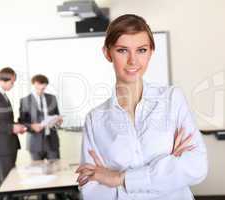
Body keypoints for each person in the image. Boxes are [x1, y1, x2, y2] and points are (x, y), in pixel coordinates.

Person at [76, 14, 208, 200]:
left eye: (141, 50)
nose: (133, 61)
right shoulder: (94, 119)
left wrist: (119, 178)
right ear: (107, 53)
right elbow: (92, 190)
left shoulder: (172, 100)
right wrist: (169, 167)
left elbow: (196, 168)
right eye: (122, 50)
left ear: (151, 52)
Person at [19, 75, 63, 200]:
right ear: (34, 84)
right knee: (38, 176)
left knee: (57, 173)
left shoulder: (52, 98)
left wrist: (58, 121)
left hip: (52, 140)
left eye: (44, 87)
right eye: (39, 87)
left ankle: (59, 197)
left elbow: (57, 116)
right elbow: (22, 121)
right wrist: (32, 126)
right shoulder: (25, 100)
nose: (42, 90)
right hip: (35, 142)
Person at [0, 67, 26, 183]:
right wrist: (12, 128)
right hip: (2, 148)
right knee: (8, 182)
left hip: (9, 145)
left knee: (13, 181)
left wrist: (17, 126)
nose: (13, 85)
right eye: (12, 82)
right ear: (2, 80)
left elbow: (4, 120)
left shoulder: (2, 95)